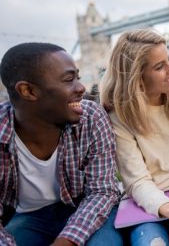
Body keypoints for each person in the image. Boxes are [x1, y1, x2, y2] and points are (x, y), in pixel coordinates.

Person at [0, 43, 122, 246]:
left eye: (78, 78)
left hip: (86, 207)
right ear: (28, 90)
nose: (81, 88)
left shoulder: (91, 117)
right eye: (68, 80)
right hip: (31, 217)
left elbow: (102, 191)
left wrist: (66, 241)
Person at [99, 29, 169, 246]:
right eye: (159, 67)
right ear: (136, 78)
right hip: (144, 199)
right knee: (151, 243)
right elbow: (138, 181)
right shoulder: (118, 117)